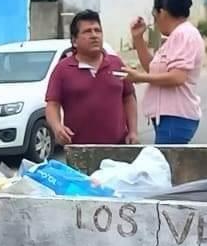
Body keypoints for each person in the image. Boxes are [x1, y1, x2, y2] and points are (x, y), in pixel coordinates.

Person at [45, 10, 138, 146]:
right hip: (79, 148)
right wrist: (57, 127)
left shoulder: (116, 63)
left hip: (118, 146)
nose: (94, 36)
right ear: (74, 41)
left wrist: (133, 131)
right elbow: (52, 105)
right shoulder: (63, 69)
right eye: (87, 31)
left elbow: (129, 98)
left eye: (97, 30)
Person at [125, 0, 205, 144]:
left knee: (165, 164)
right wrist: (138, 39)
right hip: (168, 118)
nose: (155, 22)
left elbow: (177, 77)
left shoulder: (184, 34)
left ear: (162, 13)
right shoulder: (176, 36)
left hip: (175, 117)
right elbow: (152, 69)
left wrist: (139, 77)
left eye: (154, 16)